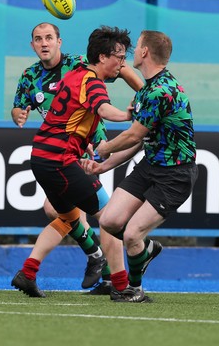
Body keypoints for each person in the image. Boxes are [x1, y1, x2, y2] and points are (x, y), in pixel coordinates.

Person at [11, 25, 151, 299]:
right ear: (101, 57)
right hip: (60, 160)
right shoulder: (91, 80)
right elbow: (103, 110)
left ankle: (27, 273)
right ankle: (120, 285)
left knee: (65, 217)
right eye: (119, 57)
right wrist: (127, 115)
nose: (122, 64)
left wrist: (145, 94)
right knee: (109, 216)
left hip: (42, 156)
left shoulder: (76, 71)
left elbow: (77, 112)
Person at [81, 30, 198, 302]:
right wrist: (103, 166)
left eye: (137, 47)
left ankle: (134, 289)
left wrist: (104, 148)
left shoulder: (160, 90)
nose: (132, 51)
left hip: (175, 175)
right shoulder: (147, 89)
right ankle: (144, 250)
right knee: (109, 221)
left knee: (132, 234)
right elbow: (141, 140)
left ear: (145, 53)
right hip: (151, 166)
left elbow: (133, 135)